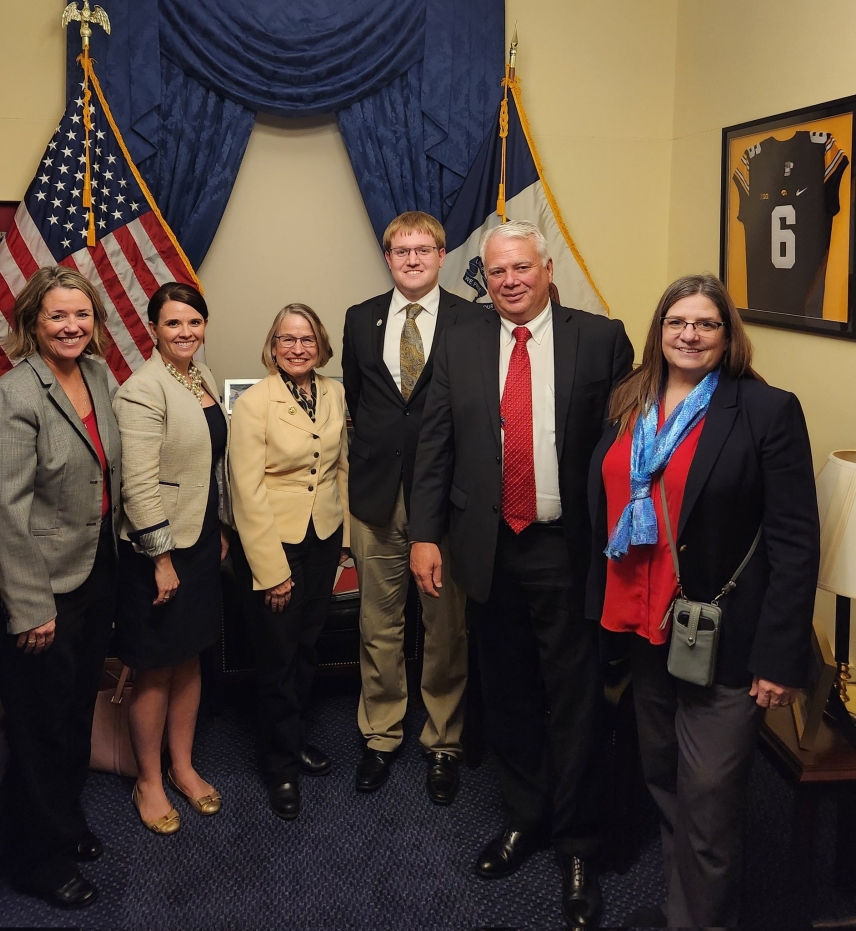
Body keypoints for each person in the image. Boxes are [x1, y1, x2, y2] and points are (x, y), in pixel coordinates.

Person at [409, 220, 633, 928]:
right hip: (488, 546)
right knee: (504, 690)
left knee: (575, 697)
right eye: (497, 271)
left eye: (521, 268)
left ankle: (578, 843)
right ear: (486, 276)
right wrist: (423, 534)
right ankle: (524, 818)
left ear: (545, 267)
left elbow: (625, 445)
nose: (509, 281)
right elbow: (436, 440)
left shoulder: (600, 339)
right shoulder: (463, 338)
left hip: (567, 548)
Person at [586, 274, 819, 929]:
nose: (689, 335)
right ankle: (681, 906)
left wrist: (781, 656)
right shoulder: (631, 399)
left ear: (727, 335)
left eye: (705, 324)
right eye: (676, 322)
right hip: (642, 625)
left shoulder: (767, 410)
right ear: (659, 330)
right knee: (663, 777)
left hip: (726, 637)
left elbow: (795, 541)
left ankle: (704, 919)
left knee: (711, 795)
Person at [0, 266, 121, 909]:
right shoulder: (11, 398)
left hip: (88, 569)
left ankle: (64, 821)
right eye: (57, 316)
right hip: (22, 584)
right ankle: (37, 859)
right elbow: (3, 511)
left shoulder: (100, 375)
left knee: (76, 710)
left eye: (81, 315)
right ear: (31, 324)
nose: (71, 326)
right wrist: (29, 609)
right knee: (39, 722)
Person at [342, 210, 472, 803]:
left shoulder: (475, 320)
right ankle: (381, 734)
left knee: (444, 628)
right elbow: (360, 399)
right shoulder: (359, 318)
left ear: (442, 256)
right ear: (388, 258)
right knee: (378, 624)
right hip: (375, 497)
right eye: (401, 251)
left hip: (444, 499)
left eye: (424, 250)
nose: (413, 259)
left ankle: (443, 740)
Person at [113, 282, 229, 834]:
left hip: (201, 541)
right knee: (155, 667)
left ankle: (183, 766)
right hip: (157, 551)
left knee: (191, 657)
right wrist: (161, 559)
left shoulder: (200, 377)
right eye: (173, 324)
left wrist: (218, 527)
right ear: (153, 330)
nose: (185, 333)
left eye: (194, 322)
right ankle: (149, 780)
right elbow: (138, 485)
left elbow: (203, 467)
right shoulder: (142, 389)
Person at [229, 303, 350, 820]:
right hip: (274, 542)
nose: (297, 348)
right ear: (272, 346)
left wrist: (342, 535)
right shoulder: (256, 402)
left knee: (306, 645)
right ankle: (279, 766)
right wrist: (270, 570)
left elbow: (339, 467)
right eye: (286, 339)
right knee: (277, 656)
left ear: (320, 344)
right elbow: (246, 490)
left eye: (306, 339)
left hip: (322, 536)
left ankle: (294, 736)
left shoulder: (334, 391)